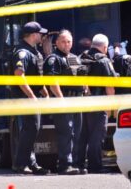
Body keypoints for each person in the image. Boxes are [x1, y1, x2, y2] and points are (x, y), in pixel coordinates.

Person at [43, 29, 85, 175]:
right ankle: (65, 165)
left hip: (77, 101)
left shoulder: (75, 58)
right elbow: (52, 83)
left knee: (77, 133)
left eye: (69, 41)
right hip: (63, 101)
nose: (66, 44)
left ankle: (75, 163)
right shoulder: (53, 59)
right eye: (63, 41)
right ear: (56, 43)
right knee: (66, 133)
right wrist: (61, 100)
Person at [12, 21, 50, 175]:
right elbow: (19, 76)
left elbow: (37, 78)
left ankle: (31, 163)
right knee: (30, 129)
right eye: (40, 33)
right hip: (25, 98)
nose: (42, 36)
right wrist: (32, 96)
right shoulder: (22, 52)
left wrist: (45, 94)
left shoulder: (34, 52)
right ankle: (21, 164)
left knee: (33, 130)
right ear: (34, 35)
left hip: (32, 97)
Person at [78, 33, 116, 173]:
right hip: (99, 103)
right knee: (97, 136)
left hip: (81, 103)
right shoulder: (104, 61)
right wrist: (111, 107)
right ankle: (95, 166)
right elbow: (109, 86)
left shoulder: (81, 57)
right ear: (105, 47)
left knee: (82, 135)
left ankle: (79, 164)